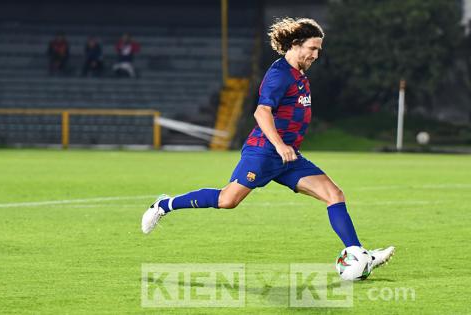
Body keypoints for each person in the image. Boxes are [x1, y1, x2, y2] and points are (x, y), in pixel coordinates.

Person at [141, 17, 394, 271]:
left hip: (289, 158)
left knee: (334, 194)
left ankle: (359, 255)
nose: (316, 55)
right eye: (312, 48)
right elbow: (262, 112)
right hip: (264, 152)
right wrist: (280, 145)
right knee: (227, 200)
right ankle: (164, 204)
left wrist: (287, 149)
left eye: (319, 50)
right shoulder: (279, 74)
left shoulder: (299, 74)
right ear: (295, 45)